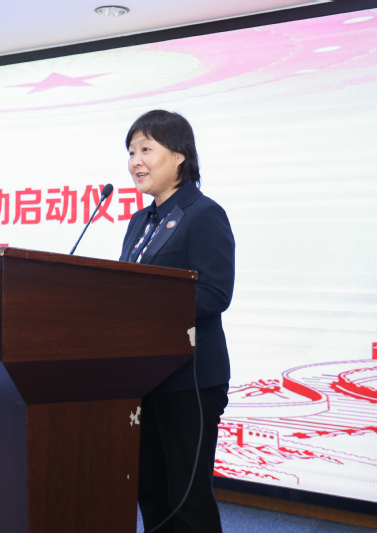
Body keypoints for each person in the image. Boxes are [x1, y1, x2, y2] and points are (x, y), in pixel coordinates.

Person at [119, 110, 235, 533]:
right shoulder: (139, 221)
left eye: (146, 149)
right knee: (150, 489)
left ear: (180, 156)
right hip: (145, 378)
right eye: (131, 152)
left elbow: (215, 293)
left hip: (191, 379)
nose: (135, 161)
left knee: (187, 497)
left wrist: (145, 308)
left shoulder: (204, 214)